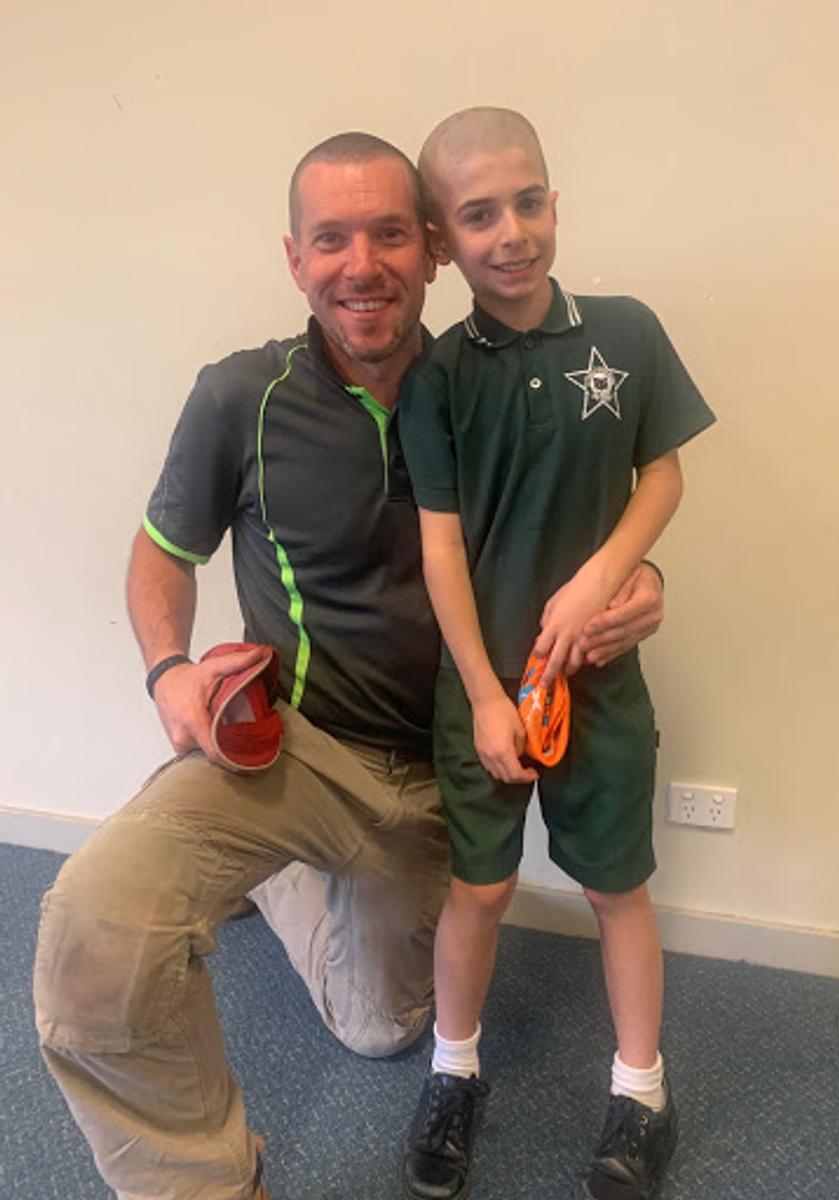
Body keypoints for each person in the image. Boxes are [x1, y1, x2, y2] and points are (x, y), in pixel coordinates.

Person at [32, 132, 667, 1200]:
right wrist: (169, 670)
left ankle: (283, 881)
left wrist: (638, 582)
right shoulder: (240, 395)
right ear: (295, 259)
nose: (360, 265)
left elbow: (585, 507)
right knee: (94, 933)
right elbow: (161, 551)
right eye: (330, 239)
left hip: (446, 771)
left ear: (431, 251)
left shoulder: (484, 384)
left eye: (387, 235)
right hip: (294, 751)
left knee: (382, 1031)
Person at [398, 108, 715, 1200]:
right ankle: (453, 1072)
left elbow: (663, 472)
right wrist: (485, 696)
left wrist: (600, 580)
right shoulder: (436, 377)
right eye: (479, 215)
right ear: (442, 242)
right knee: (480, 890)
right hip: (484, 690)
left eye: (528, 202)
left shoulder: (627, 333)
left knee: (617, 890)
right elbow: (441, 545)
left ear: (555, 201)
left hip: (603, 688)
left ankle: (642, 1093)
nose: (512, 233)